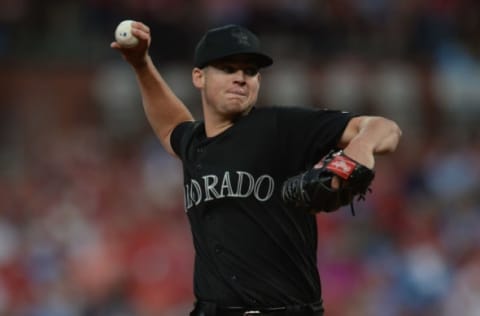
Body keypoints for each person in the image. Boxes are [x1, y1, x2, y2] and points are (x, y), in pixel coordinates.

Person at [111, 22, 402, 316]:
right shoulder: (194, 143)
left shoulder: (280, 126)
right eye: (228, 68)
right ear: (199, 77)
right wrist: (141, 64)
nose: (241, 78)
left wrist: (359, 149)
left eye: (250, 71)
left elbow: (384, 128)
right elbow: (170, 125)